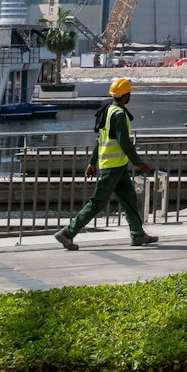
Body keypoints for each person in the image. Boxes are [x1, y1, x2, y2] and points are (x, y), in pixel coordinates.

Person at [54, 77, 159, 249]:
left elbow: (99, 140)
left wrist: (92, 162)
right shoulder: (118, 114)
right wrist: (138, 163)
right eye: (129, 93)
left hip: (117, 167)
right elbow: (123, 141)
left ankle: (138, 234)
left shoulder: (108, 110)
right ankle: (67, 233)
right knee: (97, 202)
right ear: (125, 96)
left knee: (129, 200)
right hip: (112, 168)